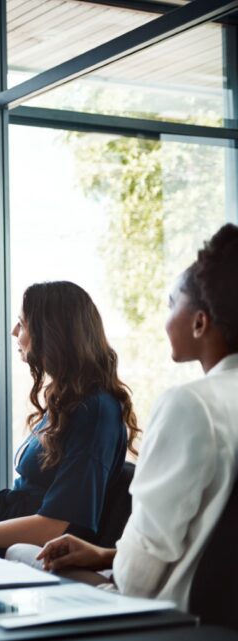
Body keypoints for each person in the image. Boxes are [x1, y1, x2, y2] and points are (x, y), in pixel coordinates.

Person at [29, 225, 238, 610]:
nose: (165, 319)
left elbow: (138, 578)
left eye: (172, 303)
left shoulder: (192, 405)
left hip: (168, 623)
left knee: (20, 558)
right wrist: (105, 554)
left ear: (200, 322)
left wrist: (115, 568)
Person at [0, 281, 139, 549]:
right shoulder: (66, 403)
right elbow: (25, 500)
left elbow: (52, 528)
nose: (13, 331)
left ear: (51, 334)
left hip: (38, 562)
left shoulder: (94, 412)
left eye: (22, 323)